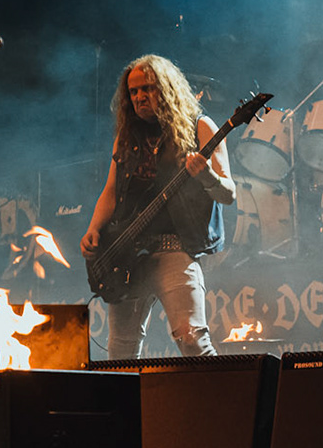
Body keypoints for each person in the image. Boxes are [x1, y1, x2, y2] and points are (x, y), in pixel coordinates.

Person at [80, 54, 236, 358]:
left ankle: (224, 401)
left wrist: (206, 176)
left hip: (174, 250)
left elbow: (228, 194)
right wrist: (93, 228)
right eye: (133, 92)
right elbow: (111, 191)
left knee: (192, 339)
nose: (139, 97)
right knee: (120, 352)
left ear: (166, 88)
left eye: (147, 89)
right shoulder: (126, 137)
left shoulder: (200, 127)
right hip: (126, 257)